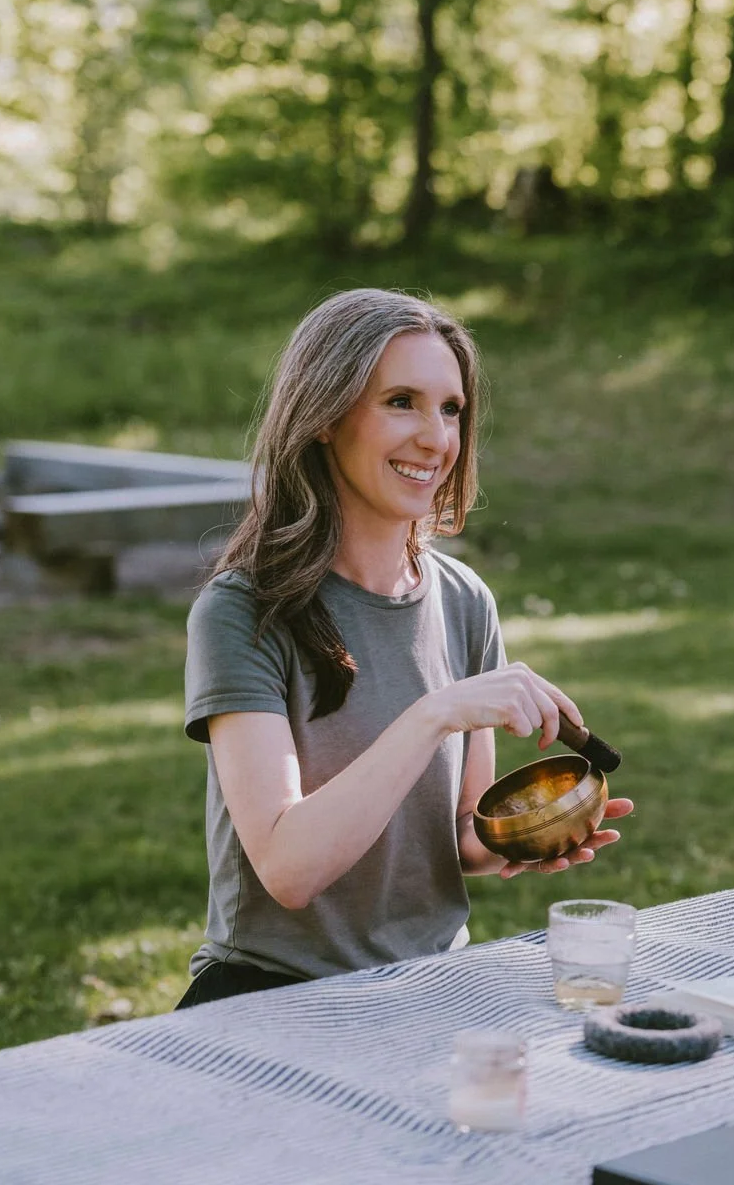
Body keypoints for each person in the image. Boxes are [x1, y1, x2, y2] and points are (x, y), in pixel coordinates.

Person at [177, 288, 631, 1009]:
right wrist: (433, 714)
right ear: (325, 416)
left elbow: (459, 831)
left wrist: (527, 835)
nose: (436, 438)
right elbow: (288, 867)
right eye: (401, 402)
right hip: (272, 997)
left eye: (450, 409)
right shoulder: (242, 611)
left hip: (430, 991)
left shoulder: (463, 600)